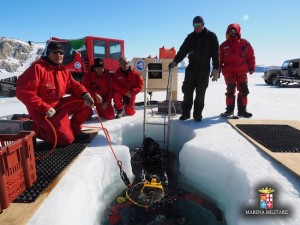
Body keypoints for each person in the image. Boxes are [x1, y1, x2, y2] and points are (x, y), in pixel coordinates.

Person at [16, 41, 95, 146]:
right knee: (66, 139)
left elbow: (73, 85)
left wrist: (84, 93)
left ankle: (75, 130)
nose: (59, 55)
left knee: (84, 102)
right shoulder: (37, 68)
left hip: (58, 105)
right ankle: (34, 128)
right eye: (55, 52)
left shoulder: (63, 70)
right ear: (48, 53)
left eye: (61, 53)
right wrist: (45, 108)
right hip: (41, 111)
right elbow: (23, 92)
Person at [168, 16, 220, 122]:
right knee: (187, 93)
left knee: (200, 94)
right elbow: (182, 50)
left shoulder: (211, 36)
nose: (196, 27)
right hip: (191, 69)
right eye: (194, 25)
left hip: (203, 70)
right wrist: (175, 61)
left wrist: (216, 68)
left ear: (203, 24)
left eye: (198, 25)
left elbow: (215, 54)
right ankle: (185, 113)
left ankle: (197, 115)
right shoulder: (190, 37)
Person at [219, 23, 256, 118]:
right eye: (230, 31)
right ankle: (229, 111)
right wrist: (217, 70)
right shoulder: (223, 46)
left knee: (244, 91)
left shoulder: (245, 44)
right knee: (230, 92)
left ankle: (242, 111)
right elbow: (219, 59)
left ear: (238, 31)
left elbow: (250, 56)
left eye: (234, 30)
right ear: (228, 32)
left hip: (242, 72)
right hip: (229, 73)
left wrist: (252, 67)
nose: (232, 32)